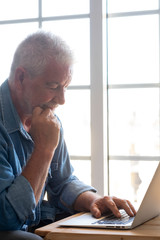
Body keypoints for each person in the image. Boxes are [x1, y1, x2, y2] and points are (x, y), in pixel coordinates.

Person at [0, 31, 136, 240]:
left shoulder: (47, 119)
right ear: (20, 78)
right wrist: (44, 150)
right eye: (53, 86)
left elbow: (62, 182)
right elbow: (7, 216)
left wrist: (93, 200)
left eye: (65, 87)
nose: (62, 100)